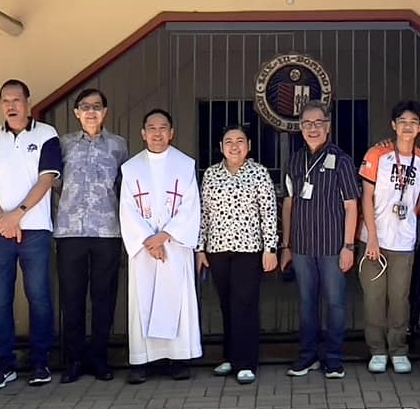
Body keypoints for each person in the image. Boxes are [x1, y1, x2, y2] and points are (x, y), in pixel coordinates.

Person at [0, 79, 63, 389]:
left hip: (36, 230)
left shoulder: (46, 134)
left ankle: (40, 363)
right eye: (5, 100)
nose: (11, 105)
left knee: (39, 297)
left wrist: (18, 214)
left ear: (28, 101)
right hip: (0, 234)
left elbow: (46, 180)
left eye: (16, 99)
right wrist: (1, 218)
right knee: (0, 300)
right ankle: (5, 364)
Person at [119, 109, 203, 384]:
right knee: (143, 300)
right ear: (143, 134)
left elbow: (191, 206)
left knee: (176, 299)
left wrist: (164, 235)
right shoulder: (131, 168)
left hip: (174, 246)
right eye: (151, 128)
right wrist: (149, 240)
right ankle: (142, 360)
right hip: (144, 249)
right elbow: (127, 209)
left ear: (172, 133)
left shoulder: (185, 164)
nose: (157, 133)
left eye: (163, 128)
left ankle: (178, 358)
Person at [280, 100, 361, 380]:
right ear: (300, 128)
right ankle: (308, 356)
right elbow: (289, 204)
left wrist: (348, 246)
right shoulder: (294, 160)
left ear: (327, 126)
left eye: (318, 123)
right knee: (306, 303)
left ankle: (334, 358)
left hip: (332, 247)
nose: (312, 128)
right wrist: (286, 246)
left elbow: (352, 206)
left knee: (336, 303)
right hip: (301, 247)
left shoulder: (342, 161)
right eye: (307, 124)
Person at [54, 88, 130, 383]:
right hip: (70, 231)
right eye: (85, 107)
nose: (91, 112)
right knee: (71, 298)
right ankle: (72, 360)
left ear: (105, 112)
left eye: (97, 107)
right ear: (76, 113)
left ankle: (99, 358)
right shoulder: (63, 145)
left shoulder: (118, 146)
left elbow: (124, 186)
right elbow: (53, 183)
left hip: (107, 231)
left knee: (103, 298)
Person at [357, 101, 420, 375]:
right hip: (373, 240)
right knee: (374, 298)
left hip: (403, 242)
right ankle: (377, 350)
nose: (407, 126)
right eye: (402, 121)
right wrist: (373, 238)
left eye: (413, 122)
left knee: (400, 298)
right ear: (393, 125)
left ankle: (398, 349)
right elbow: (366, 196)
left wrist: (406, 221)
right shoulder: (377, 154)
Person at [196, 126, 279, 385]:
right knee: (226, 305)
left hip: (249, 251)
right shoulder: (211, 175)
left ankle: (246, 362)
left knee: (245, 305)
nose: (234, 146)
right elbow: (203, 214)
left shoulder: (259, 173)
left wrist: (271, 248)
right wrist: (200, 248)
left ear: (249, 145)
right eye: (228, 142)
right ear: (221, 147)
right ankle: (230, 357)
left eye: (240, 141)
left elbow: (269, 213)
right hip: (218, 250)